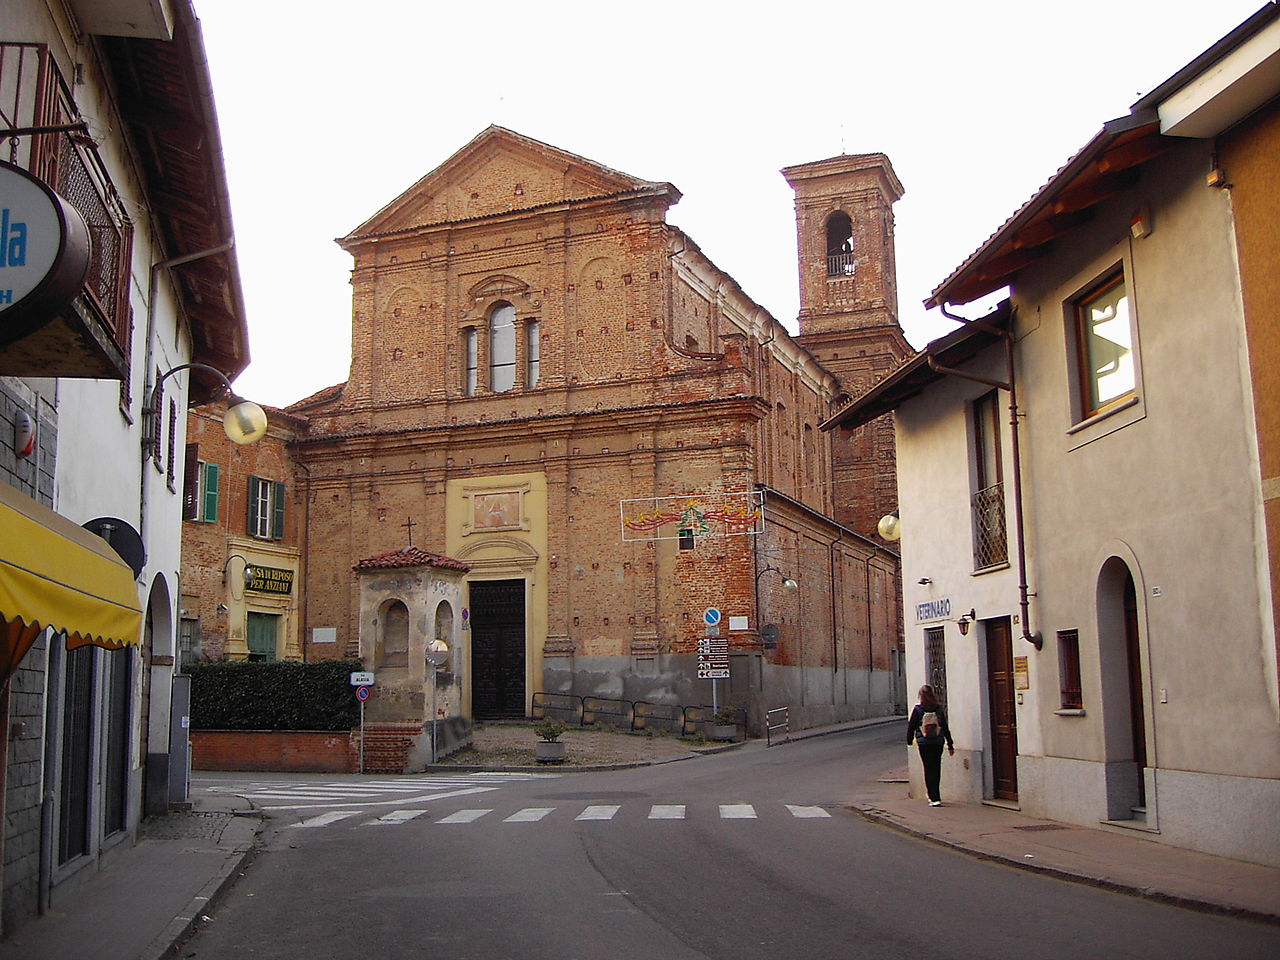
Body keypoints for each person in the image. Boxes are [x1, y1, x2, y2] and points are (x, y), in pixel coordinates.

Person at [906, 684, 954, 806]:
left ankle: (932, 797)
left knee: (928, 769)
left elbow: (911, 727)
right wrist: (950, 743)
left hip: (924, 743)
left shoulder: (918, 710)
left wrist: (909, 741)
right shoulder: (938, 709)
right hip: (937, 743)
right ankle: (936, 796)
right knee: (936, 768)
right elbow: (945, 726)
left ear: (921, 696)